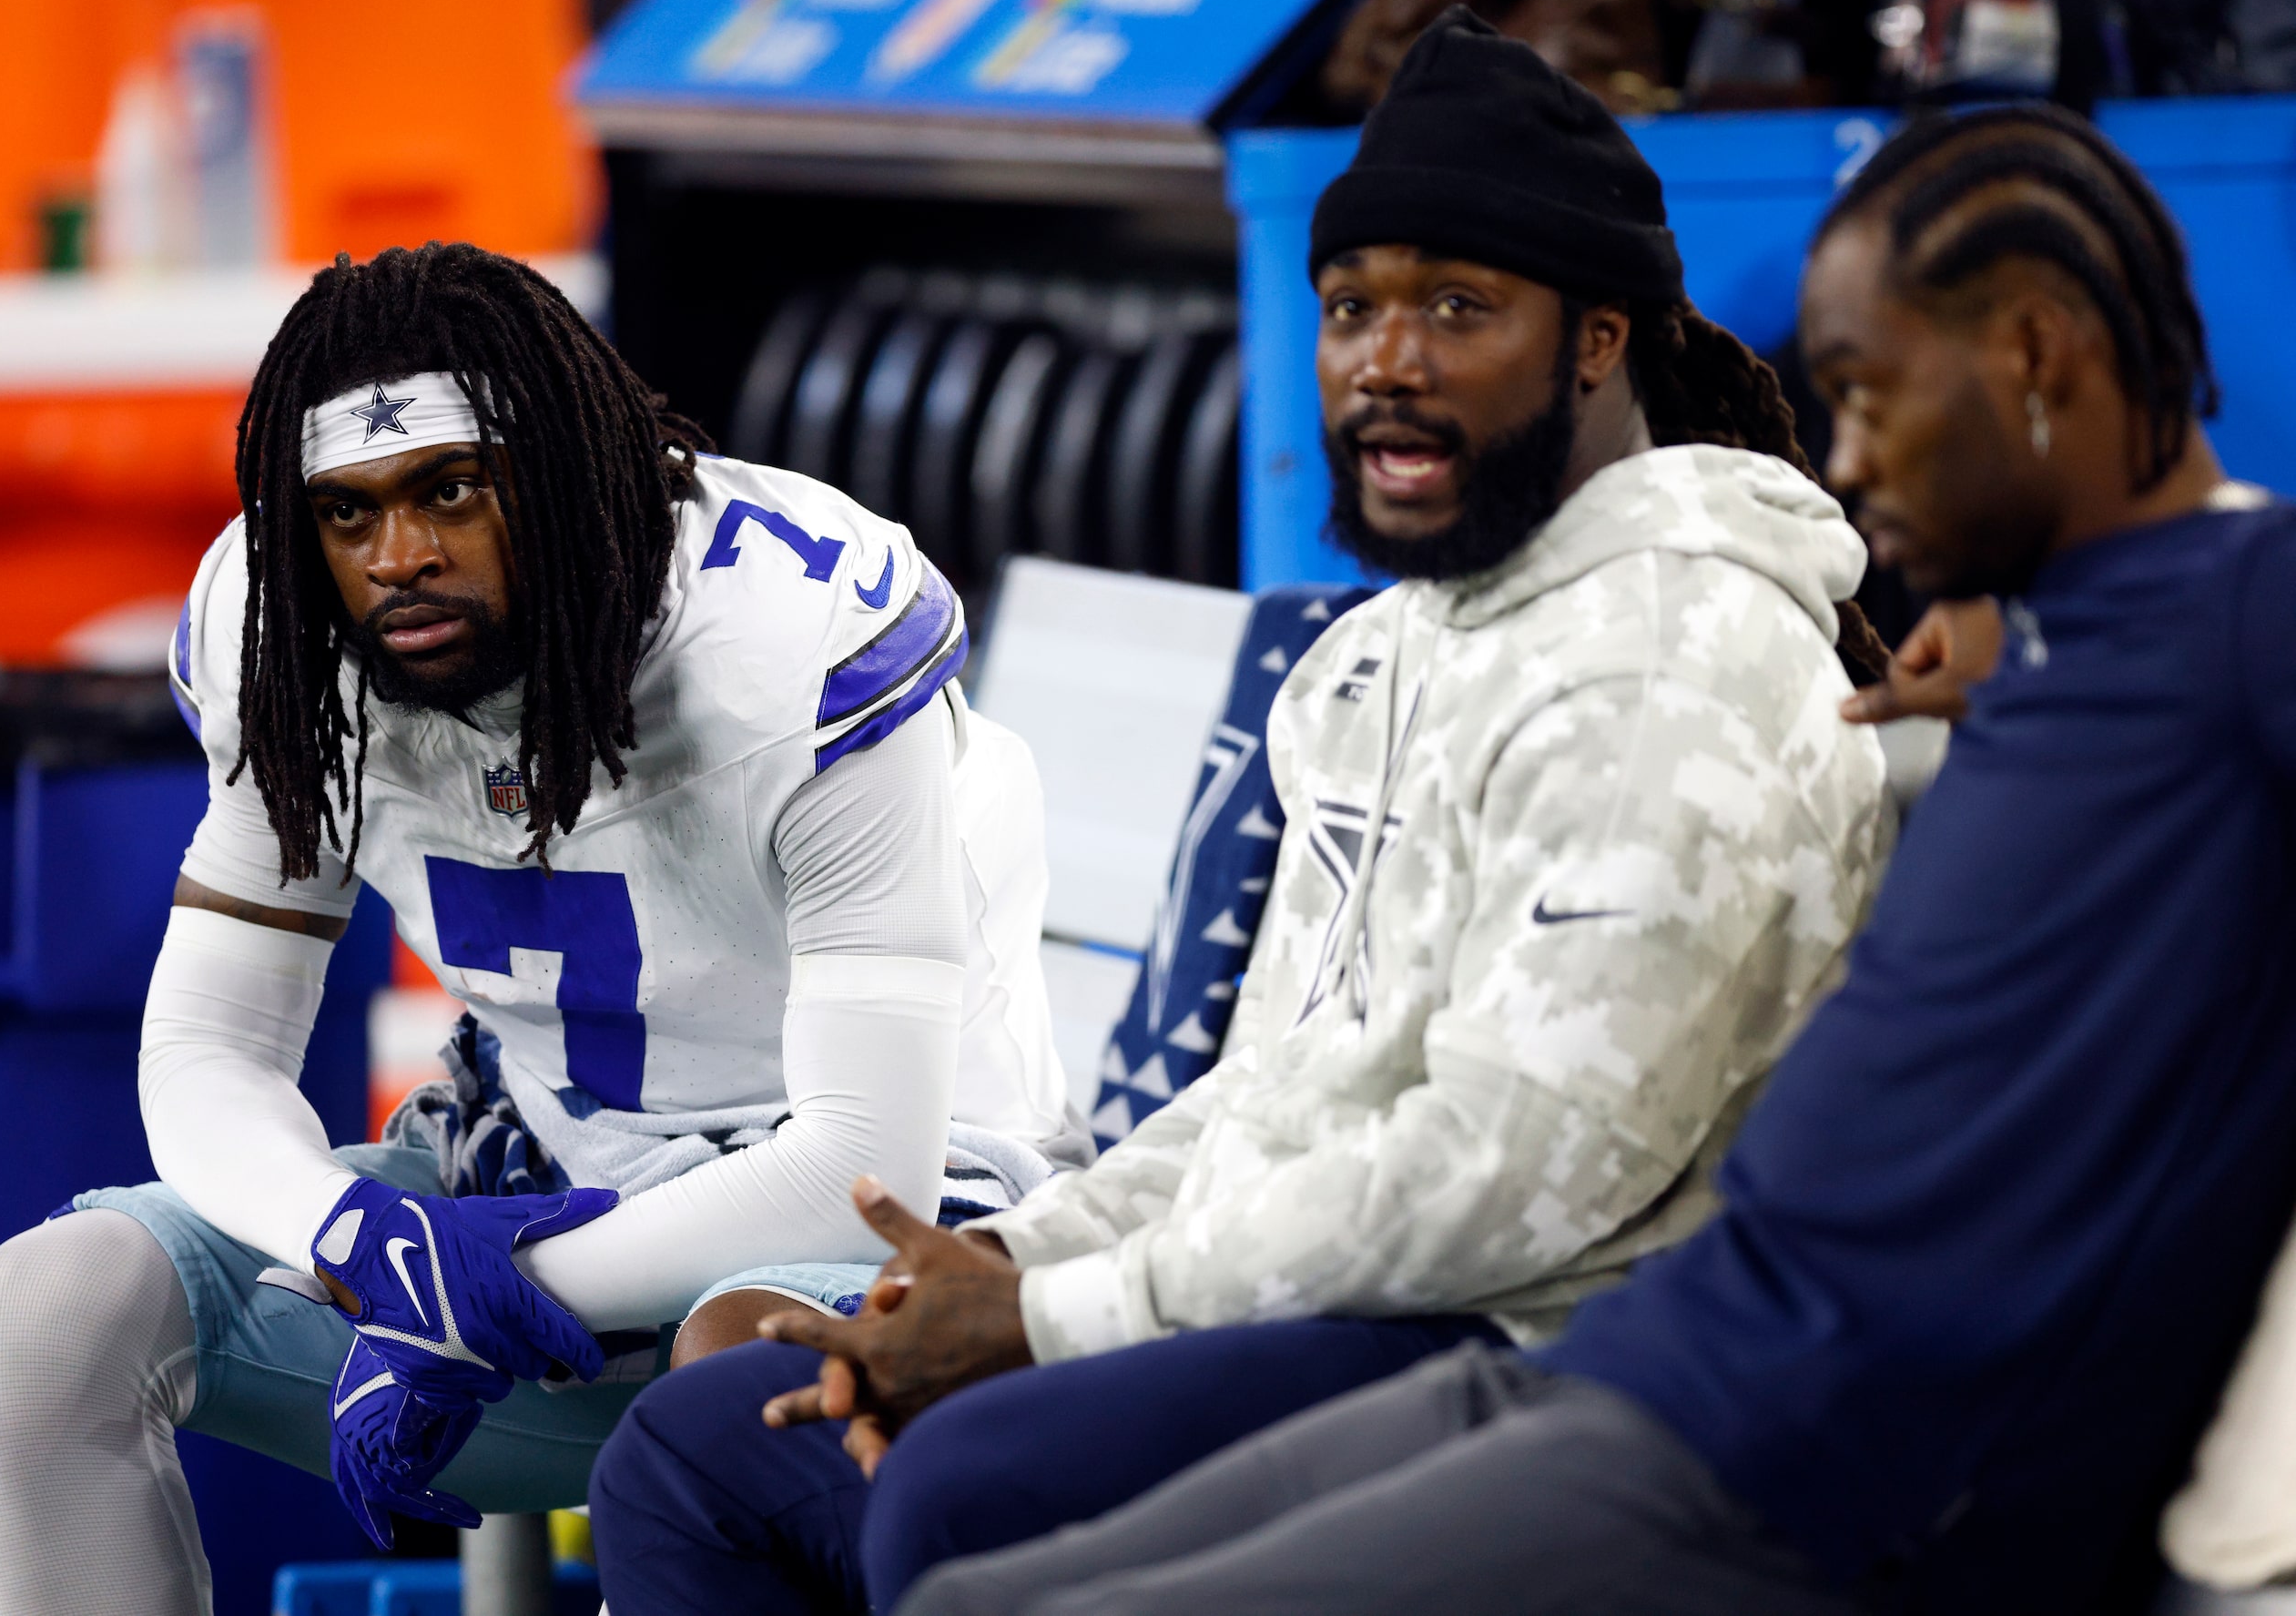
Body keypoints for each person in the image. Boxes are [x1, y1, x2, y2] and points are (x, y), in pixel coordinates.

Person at [896, 101, 2296, 1616]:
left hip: (1818, 1466)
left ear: (2033, 355)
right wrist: (2025, 634)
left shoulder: (2240, 609)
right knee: (963, 1582)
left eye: (1878, 397)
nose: (1856, 462)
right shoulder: (2070, 643)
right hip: (1660, 1364)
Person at [587, 10, 1895, 1616]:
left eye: (1458, 310)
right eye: (1352, 309)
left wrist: (1062, 1318)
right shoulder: (1386, 652)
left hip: (1533, 1337)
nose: (1385, 363)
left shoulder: (1674, 665)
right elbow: (1279, 1088)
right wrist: (1008, 1264)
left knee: (956, 1492)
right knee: (700, 1451)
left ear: (1598, 342)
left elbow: (1522, 1167)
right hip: (1319, 1287)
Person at [0, 241, 1085, 1615]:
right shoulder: (281, 632)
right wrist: (367, 1243)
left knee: (735, 1369)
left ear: (558, 476)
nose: (400, 556)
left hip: (871, 1234)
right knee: (52, 1308)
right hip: (530, 1174)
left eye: (450, 491)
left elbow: (861, 1155)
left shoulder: (791, 636)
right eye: (349, 512)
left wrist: (471, 1286)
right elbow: (208, 1048)